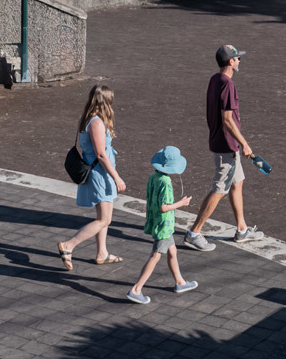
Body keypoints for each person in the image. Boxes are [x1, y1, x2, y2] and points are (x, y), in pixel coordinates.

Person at [185, 44, 261, 250]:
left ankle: (242, 229)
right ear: (230, 62)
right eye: (237, 59)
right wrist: (245, 144)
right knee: (219, 189)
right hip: (227, 145)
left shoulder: (215, 80)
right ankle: (194, 232)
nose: (239, 61)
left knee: (237, 183)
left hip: (224, 143)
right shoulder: (228, 85)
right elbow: (228, 119)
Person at [58, 85, 126, 269]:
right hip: (100, 174)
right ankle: (68, 245)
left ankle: (102, 253)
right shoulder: (96, 122)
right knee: (104, 219)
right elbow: (101, 154)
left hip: (99, 172)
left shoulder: (86, 118)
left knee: (104, 216)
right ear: (106, 102)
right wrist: (117, 177)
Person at [125, 146, 198, 304]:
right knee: (155, 256)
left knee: (173, 251)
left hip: (157, 222)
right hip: (164, 225)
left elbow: (150, 200)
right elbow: (164, 207)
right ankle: (136, 289)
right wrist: (182, 203)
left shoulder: (154, 176)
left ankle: (180, 282)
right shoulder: (166, 182)